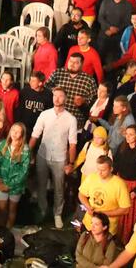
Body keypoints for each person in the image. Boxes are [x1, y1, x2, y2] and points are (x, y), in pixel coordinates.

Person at [29, 86, 78, 228]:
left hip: (59, 158)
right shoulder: (45, 114)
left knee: (58, 188)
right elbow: (35, 135)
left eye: (60, 96)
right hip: (43, 155)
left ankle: (57, 214)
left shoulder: (71, 119)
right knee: (41, 184)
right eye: (55, 95)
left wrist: (71, 163)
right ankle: (43, 209)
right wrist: (26, 153)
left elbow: (72, 143)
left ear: (66, 98)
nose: (57, 98)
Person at [0, 121, 31, 228]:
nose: (14, 133)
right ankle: (0, 230)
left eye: (18, 132)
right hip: (1, 183)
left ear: (22, 135)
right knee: (2, 210)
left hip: (15, 187)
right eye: (13, 130)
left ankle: (8, 231)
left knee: (12, 210)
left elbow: (24, 172)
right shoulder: (2, 144)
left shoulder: (26, 150)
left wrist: (9, 185)